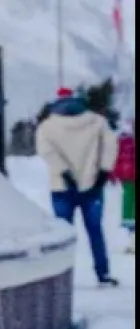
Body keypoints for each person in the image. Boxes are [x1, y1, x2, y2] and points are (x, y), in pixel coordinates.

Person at [36, 87, 121, 286]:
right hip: (92, 187)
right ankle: (103, 274)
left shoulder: (47, 126)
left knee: (63, 236)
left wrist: (64, 172)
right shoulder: (97, 122)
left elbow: (46, 151)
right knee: (95, 230)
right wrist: (103, 172)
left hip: (61, 188)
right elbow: (111, 145)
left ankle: (61, 277)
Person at [116, 121, 135, 255]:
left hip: (128, 177)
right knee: (129, 211)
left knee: (130, 210)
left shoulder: (124, 141)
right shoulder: (124, 141)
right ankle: (132, 242)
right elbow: (117, 158)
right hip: (128, 178)